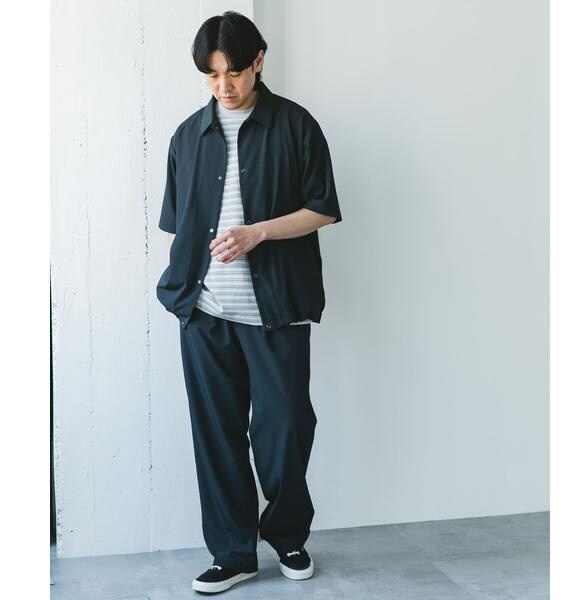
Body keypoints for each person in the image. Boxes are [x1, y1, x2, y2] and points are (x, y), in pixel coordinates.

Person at [156, 11, 342, 594]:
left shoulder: (296, 125)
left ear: (258, 60)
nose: (224, 86)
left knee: (285, 428)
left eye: (234, 72)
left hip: (277, 310)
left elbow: (323, 208)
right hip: (205, 313)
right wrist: (185, 291)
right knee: (217, 437)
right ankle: (233, 553)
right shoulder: (187, 137)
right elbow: (177, 225)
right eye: (211, 75)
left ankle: (287, 536)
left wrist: (258, 231)